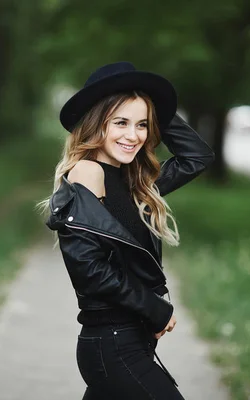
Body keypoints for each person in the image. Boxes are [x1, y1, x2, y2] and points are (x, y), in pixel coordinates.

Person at [36, 61, 215, 399]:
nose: (133, 136)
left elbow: (197, 157)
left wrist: (153, 103)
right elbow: (89, 270)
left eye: (143, 125)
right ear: (95, 124)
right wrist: (154, 307)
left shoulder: (135, 182)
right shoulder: (88, 172)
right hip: (114, 344)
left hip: (130, 341)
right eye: (120, 122)